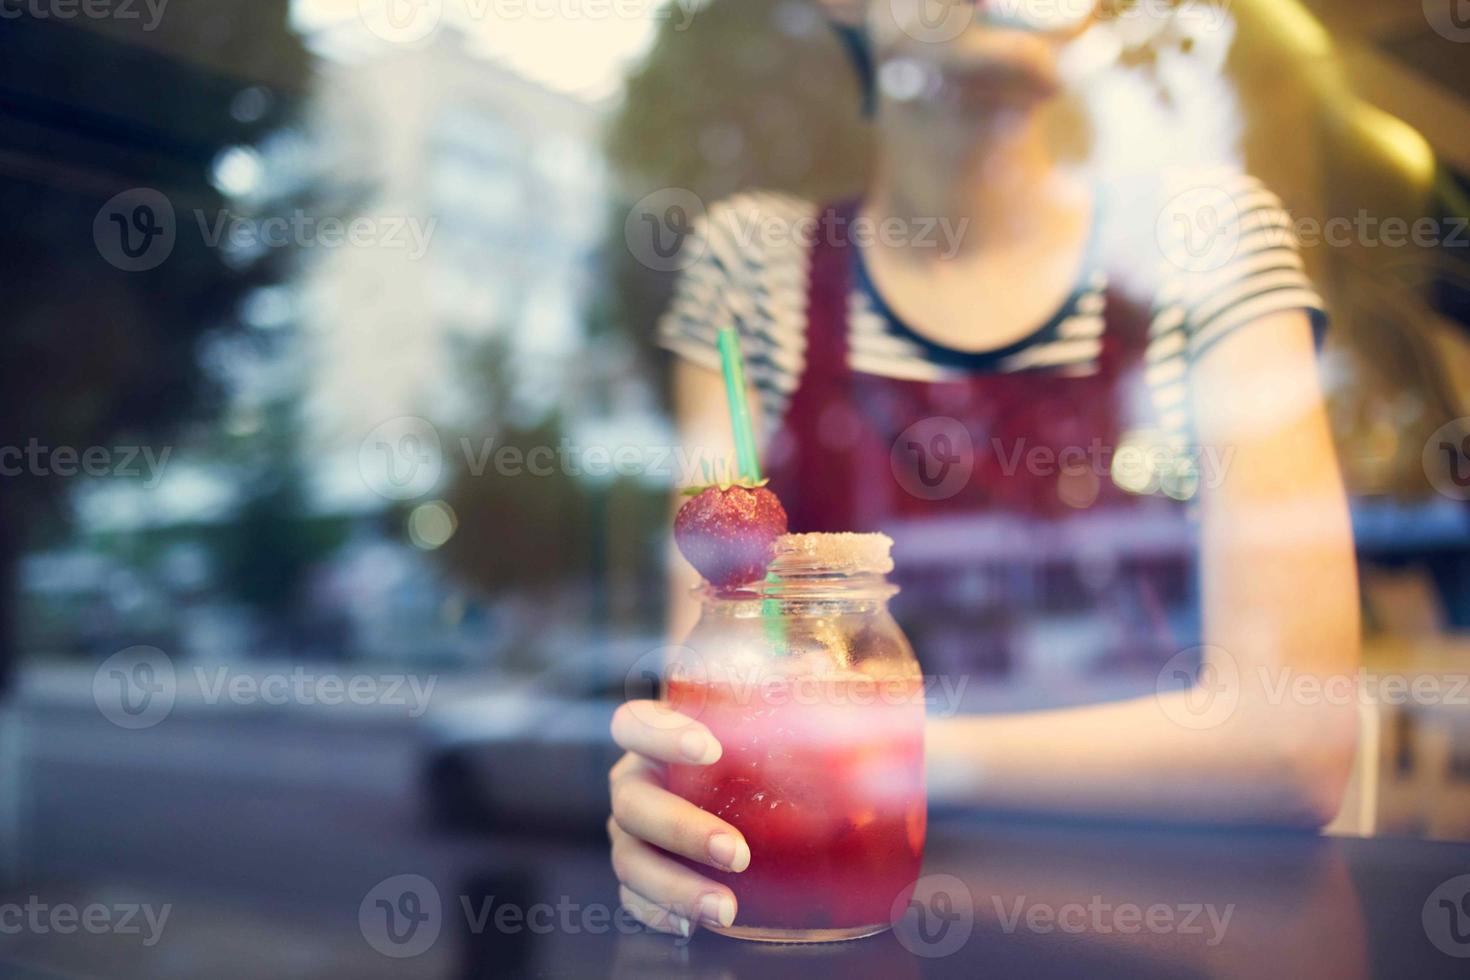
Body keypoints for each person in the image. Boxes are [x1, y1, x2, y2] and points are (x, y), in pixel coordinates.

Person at [607, 1, 1359, 937]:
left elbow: (1292, 742)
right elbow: (715, 676)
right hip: (842, 920)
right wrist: (679, 782)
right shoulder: (754, 267)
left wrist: (877, 756)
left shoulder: (1205, 235)